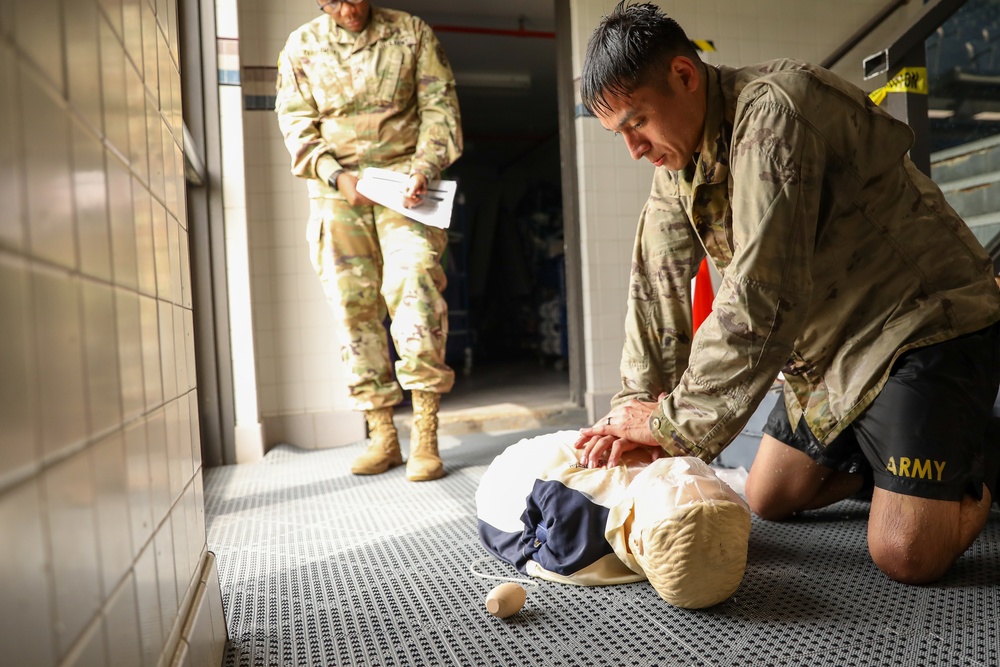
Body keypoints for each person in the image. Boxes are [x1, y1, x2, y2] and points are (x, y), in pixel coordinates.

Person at [573, 1, 1000, 584]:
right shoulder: (680, 165)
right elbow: (656, 283)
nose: (635, 148)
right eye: (618, 133)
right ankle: (900, 464)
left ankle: (979, 462)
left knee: (905, 553)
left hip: (918, 327)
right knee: (768, 495)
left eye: (636, 123)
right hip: (831, 355)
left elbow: (760, 299)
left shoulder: (775, 116)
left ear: (683, 75)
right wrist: (631, 409)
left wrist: (670, 426)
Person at [275, 0, 462, 481]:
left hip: (405, 187)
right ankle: (383, 436)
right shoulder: (302, 45)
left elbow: (440, 108)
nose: (348, 8)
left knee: (416, 290)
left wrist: (424, 167)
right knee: (352, 306)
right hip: (337, 193)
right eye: (334, 0)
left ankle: (425, 436)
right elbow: (295, 121)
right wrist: (335, 175)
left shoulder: (411, 32)